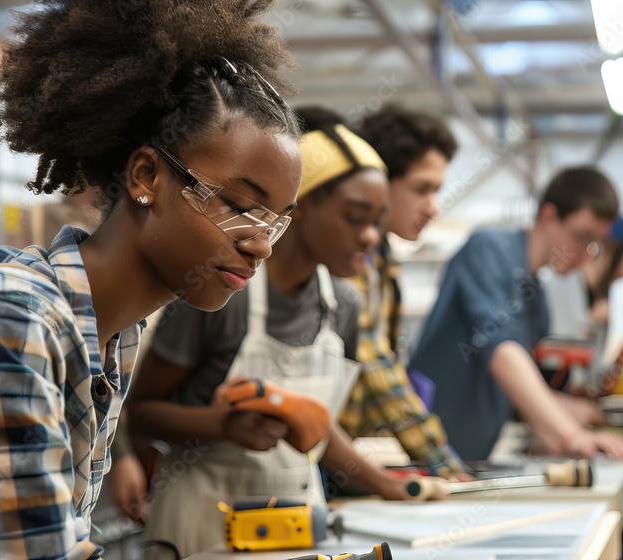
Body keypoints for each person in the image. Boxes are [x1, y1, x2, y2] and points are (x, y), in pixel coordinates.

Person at [0, 0, 302, 557]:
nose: (259, 245)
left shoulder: (115, 334)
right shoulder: (4, 314)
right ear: (145, 176)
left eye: (275, 223)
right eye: (238, 205)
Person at [128, 107, 416, 557]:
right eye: (355, 217)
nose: (370, 237)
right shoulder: (219, 291)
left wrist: (387, 483)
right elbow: (140, 412)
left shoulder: (344, 305)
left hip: (298, 522)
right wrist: (220, 425)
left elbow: (317, 427)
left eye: (377, 221)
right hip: (201, 524)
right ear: (301, 209)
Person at [408, 167, 623, 462]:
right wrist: (571, 435)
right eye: (581, 237)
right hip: (423, 449)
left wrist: (563, 408)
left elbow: (513, 389)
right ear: (548, 217)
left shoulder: (535, 299)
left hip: (469, 459)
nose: (584, 255)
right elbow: (504, 355)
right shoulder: (488, 249)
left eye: (594, 245)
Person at [338, 104, 470, 478]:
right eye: (421, 189)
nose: (433, 207)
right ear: (379, 181)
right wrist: (440, 459)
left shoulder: (382, 262)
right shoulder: (348, 263)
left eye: (437, 190)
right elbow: (373, 362)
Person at [544, 217, 623, 394]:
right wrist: (588, 322)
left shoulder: (603, 297)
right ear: (618, 248)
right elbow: (555, 359)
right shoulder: (564, 283)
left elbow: (591, 372)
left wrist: (617, 374)